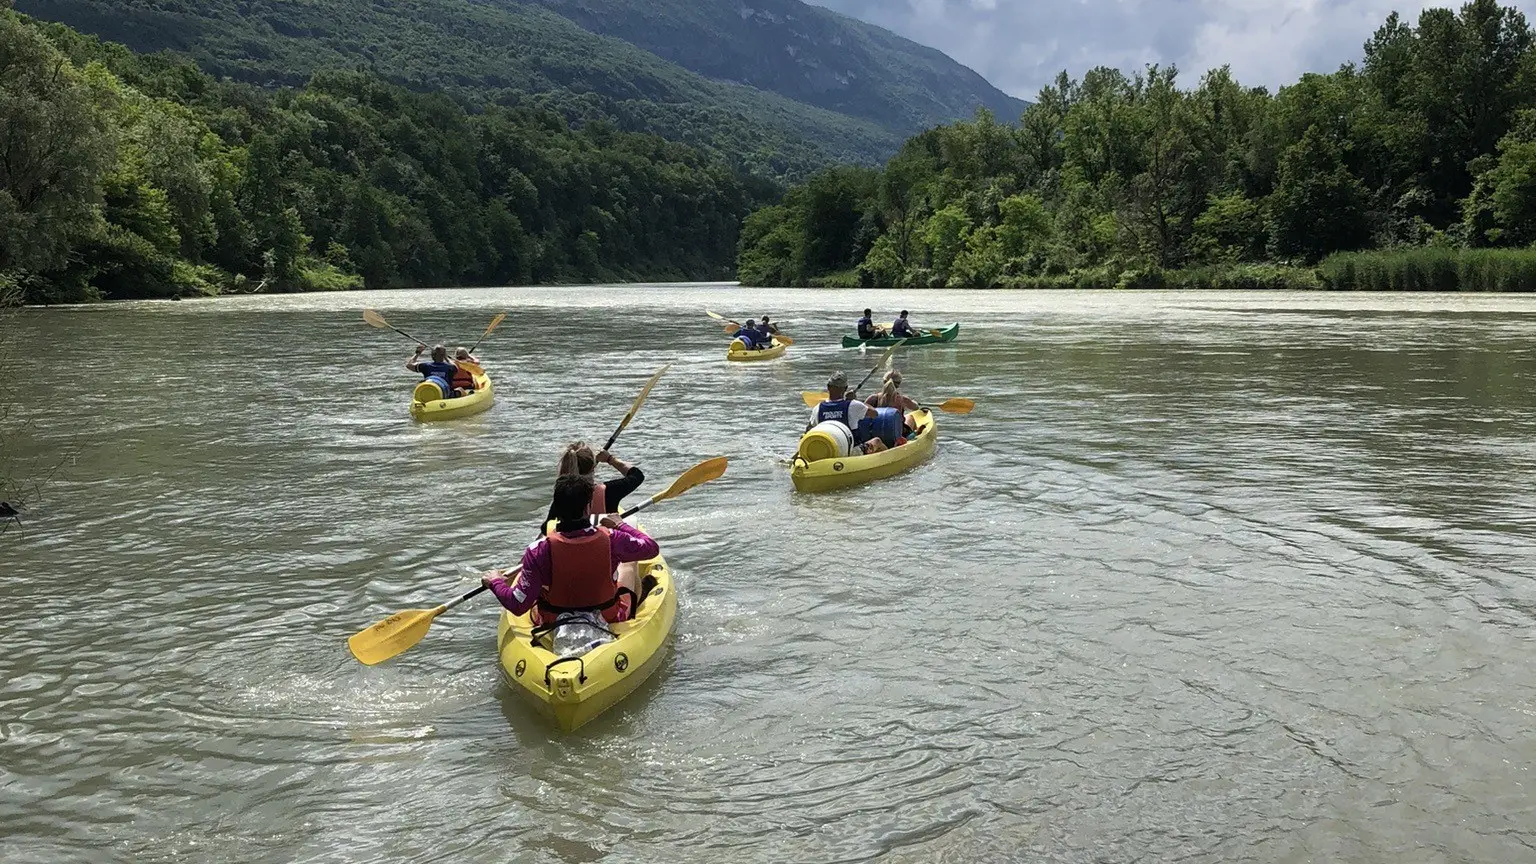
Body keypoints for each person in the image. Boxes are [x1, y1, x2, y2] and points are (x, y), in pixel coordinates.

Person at [484, 474, 659, 627]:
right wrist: (620, 524)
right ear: (587, 508)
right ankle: (638, 602)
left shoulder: (538, 550)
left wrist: (495, 582)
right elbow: (651, 548)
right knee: (628, 565)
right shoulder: (612, 538)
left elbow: (517, 604)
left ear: (557, 509)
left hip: (553, 620)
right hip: (608, 617)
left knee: (537, 589)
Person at [541, 442, 644, 533]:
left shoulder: (563, 495)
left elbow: (546, 528)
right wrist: (610, 459)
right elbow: (637, 476)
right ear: (593, 468)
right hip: (606, 544)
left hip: (570, 546)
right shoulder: (609, 491)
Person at [806, 371, 878, 433]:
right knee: (877, 441)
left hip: (827, 444)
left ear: (828, 387)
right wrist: (855, 400)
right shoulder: (853, 405)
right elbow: (874, 414)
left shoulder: (817, 408)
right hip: (851, 445)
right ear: (846, 388)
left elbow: (808, 430)